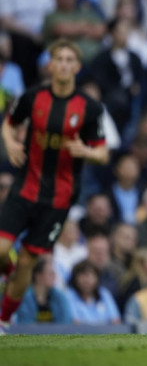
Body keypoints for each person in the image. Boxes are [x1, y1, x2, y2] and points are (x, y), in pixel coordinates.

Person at [0, 38, 108, 333]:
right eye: (58, 59)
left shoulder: (89, 108)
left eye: (68, 60)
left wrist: (86, 151)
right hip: (25, 188)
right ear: (50, 65)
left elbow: (102, 152)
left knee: (27, 262)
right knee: (2, 250)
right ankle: (10, 274)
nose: (63, 65)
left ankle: (3, 320)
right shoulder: (33, 97)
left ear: (77, 67)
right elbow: (9, 122)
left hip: (59, 199)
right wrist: (10, 143)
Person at [15, 256, 72, 324]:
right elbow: (24, 324)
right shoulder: (24, 298)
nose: (54, 276)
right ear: (38, 276)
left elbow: (66, 322)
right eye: (50, 273)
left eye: (54, 273)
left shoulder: (60, 297)